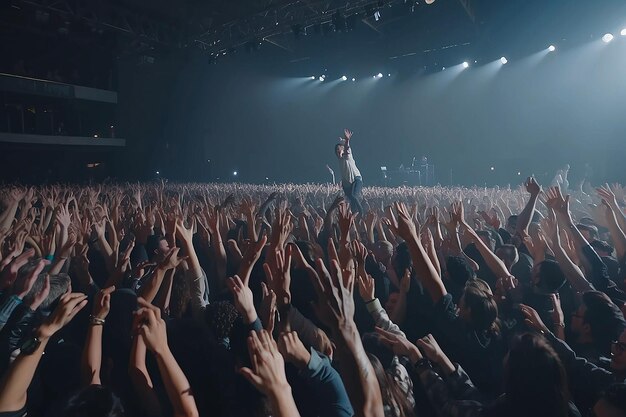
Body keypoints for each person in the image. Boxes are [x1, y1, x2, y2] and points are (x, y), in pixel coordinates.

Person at [335, 128, 364, 215]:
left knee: (353, 196)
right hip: (347, 184)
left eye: (339, 150)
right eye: (336, 151)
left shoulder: (348, 156)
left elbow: (347, 147)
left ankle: (361, 212)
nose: (338, 152)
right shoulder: (340, 160)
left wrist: (347, 140)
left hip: (356, 179)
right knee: (351, 200)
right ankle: (354, 214)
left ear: (343, 150)